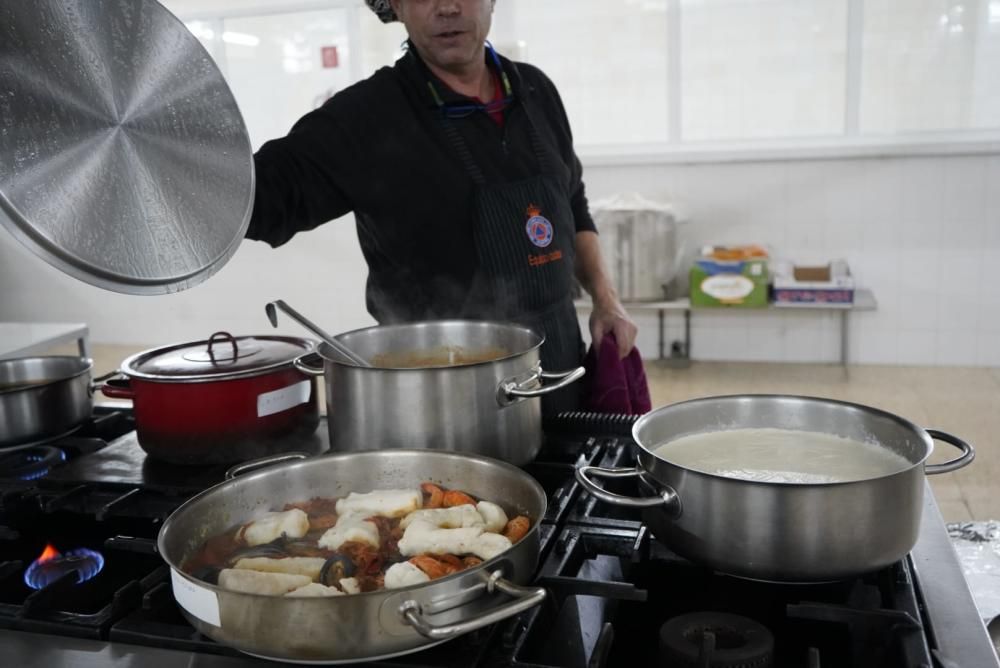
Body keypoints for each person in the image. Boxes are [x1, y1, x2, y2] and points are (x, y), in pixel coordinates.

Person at [246, 0, 637, 415]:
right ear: (395, 6)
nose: (447, 7)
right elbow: (264, 197)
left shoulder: (535, 92)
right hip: (442, 404)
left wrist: (606, 299)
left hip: (561, 376)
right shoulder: (366, 117)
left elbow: (572, 201)